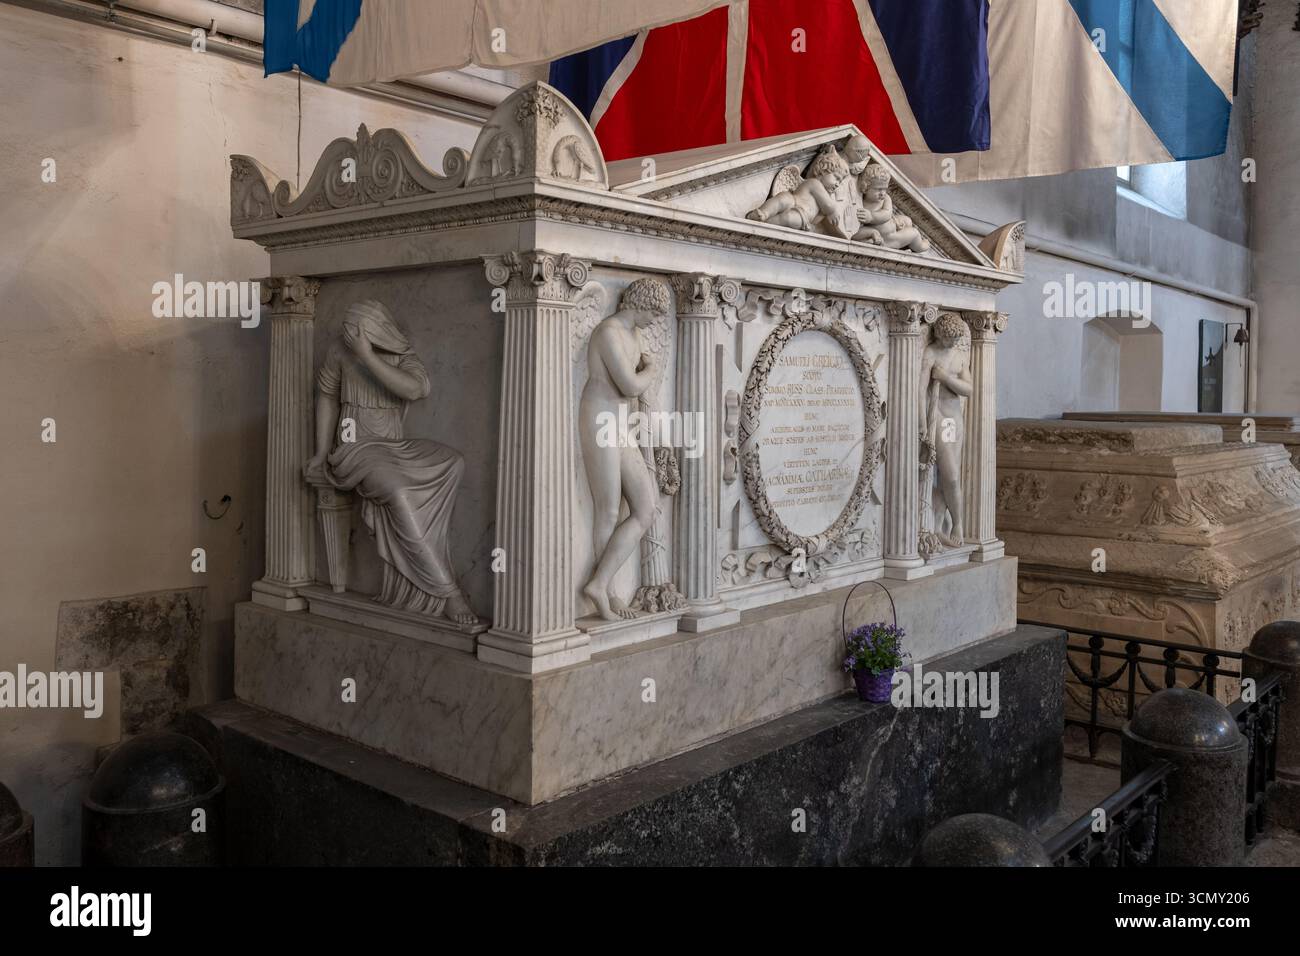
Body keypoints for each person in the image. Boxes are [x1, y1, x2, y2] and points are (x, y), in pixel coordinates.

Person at [304, 300, 477, 626]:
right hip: (354, 449)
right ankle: (448, 591)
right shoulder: (339, 352)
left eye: (356, 328)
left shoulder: (400, 355)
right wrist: (320, 451)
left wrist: (367, 355)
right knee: (398, 492)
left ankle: (427, 561)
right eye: (347, 327)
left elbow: (415, 390)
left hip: (394, 446)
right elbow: (326, 396)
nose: (348, 333)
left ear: (375, 330)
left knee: (452, 461)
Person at [579, 278, 672, 621]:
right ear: (640, 303)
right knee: (607, 510)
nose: (654, 321)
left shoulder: (633, 335)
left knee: (645, 509)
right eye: (652, 313)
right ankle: (608, 591)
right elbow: (630, 384)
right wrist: (650, 369)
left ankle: (599, 584)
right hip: (600, 420)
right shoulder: (608, 332)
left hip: (621, 426)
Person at [919, 313, 973, 548]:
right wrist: (922, 423)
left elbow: (968, 389)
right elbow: (921, 390)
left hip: (954, 420)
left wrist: (945, 377)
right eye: (948, 340)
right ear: (940, 336)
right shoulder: (931, 352)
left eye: (955, 339)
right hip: (938, 417)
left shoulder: (959, 356)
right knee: (949, 474)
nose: (952, 344)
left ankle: (944, 524)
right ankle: (956, 522)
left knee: (948, 477)